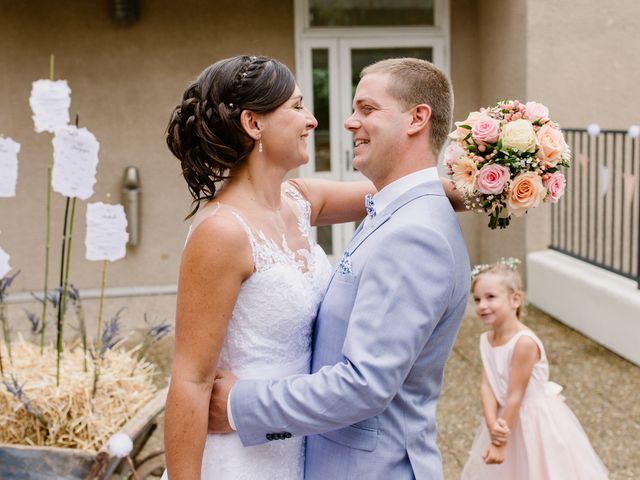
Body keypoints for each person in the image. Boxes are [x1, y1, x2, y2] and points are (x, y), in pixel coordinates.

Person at [162, 55, 464, 479]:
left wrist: (488, 179)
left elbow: (397, 193)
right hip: (239, 453)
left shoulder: (301, 200)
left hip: (299, 445)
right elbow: (191, 380)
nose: (314, 120)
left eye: (367, 109)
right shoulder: (222, 232)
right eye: (298, 106)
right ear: (254, 124)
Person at [460, 259, 608, 479]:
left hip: (532, 420)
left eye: (490, 297)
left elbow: (515, 395)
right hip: (504, 419)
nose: (481, 305)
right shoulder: (487, 340)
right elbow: (487, 386)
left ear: (515, 299)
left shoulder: (524, 343)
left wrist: (500, 442)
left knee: (539, 469)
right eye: (477, 299)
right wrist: (493, 426)